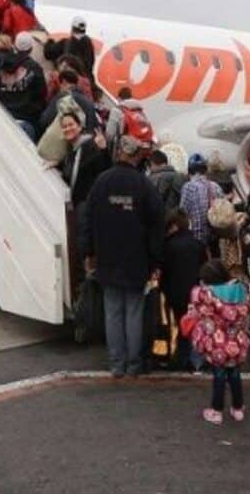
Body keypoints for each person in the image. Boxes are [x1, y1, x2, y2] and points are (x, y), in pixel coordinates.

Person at [80, 136, 164, 378]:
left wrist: (88, 252)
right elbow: (156, 225)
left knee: (113, 312)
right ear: (136, 156)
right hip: (136, 260)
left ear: (118, 154)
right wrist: (155, 260)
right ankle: (133, 364)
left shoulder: (101, 182)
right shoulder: (144, 185)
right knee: (134, 312)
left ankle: (117, 364)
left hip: (107, 258)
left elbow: (87, 218)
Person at [186, 260, 250, 424]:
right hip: (237, 342)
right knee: (235, 375)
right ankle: (238, 409)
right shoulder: (242, 290)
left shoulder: (205, 295)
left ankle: (216, 411)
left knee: (219, 376)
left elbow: (195, 299)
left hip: (216, 344)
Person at [162, 209, 209, 371]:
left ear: (173, 226)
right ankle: (197, 360)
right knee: (196, 325)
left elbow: (165, 271)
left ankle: (180, 358)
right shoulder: (198, 245)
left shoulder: (168, 246)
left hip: (175, 292)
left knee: (181, 325)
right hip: (195, 292)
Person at [0, 32, 46, 140]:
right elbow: (42, 93)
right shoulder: (35, 69)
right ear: (30, 49)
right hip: (23, 121)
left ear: (14, 44)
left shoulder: (0, 61)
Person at [58, 112, 110, 209]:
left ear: (79, 127)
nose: (68, 128)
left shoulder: (91, 146)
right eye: (64, 126)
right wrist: (57, 163)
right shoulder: (71, 149)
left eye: (71, 125)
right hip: (77, 205)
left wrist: (103, 150)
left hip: (88, 207)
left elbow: (104, 172)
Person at [180, 154, 223, 258]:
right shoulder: (215, 186)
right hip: (215, 235)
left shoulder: (188, 187)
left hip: (197, 237)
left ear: (189, 171)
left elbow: (182, 212)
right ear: (205, 170)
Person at [45, 17, 96, 84]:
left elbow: (48, 53)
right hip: (88, 80)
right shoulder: (89, 43)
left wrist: (49, 41)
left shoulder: (66, 42)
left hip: (69, 81)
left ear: (72, 28)